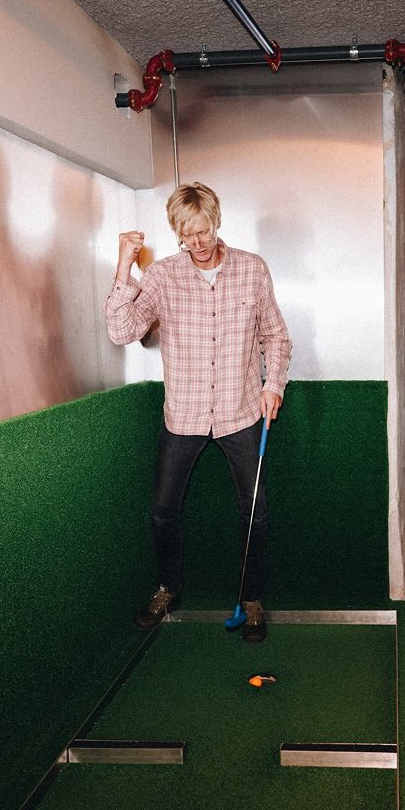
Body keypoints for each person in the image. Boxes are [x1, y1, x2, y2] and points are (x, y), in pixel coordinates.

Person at [105, 182, 291, 642]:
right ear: (178, 233)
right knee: (162, 511)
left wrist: (273, 385)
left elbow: (275, 336)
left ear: (216, 221)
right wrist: (124, 265)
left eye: (203, 231)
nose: (197, 243)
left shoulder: (252, 269)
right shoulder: (162, 276)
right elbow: (121, 331)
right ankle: (168, 588)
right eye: (187, 235)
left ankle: (251, 598)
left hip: (241, 410)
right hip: (183, 414)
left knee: (255, 512)